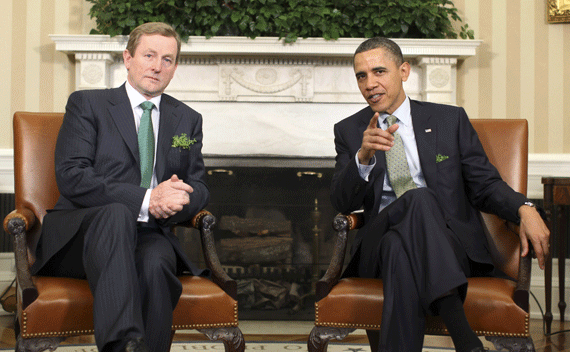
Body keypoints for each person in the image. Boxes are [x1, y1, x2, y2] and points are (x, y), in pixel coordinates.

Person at [330, 37, 550, 352]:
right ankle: (463, 337)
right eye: (361, 76)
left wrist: (525, 208)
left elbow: (485, 184)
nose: (370, 83)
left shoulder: (448, 121)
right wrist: (363, 157)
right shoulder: (350, 131)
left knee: (400, 248)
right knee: (416, 202)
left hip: (447, 244)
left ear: (403, 71)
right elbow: (342, 203)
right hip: (375, 245)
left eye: (379, 71)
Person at [30, 22, 209, 352]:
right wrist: (146, 198)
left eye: (167, 59)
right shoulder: (88, 105)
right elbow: (72, 176)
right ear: (128, 58)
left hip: (149, 232)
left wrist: (177, 198)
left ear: (175, 67)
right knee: (114, 214)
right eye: (149, 55)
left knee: (156, 265)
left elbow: (197, 182)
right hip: (80, 237)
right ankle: (122, 343)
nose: (157, 66)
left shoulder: (187, 120)